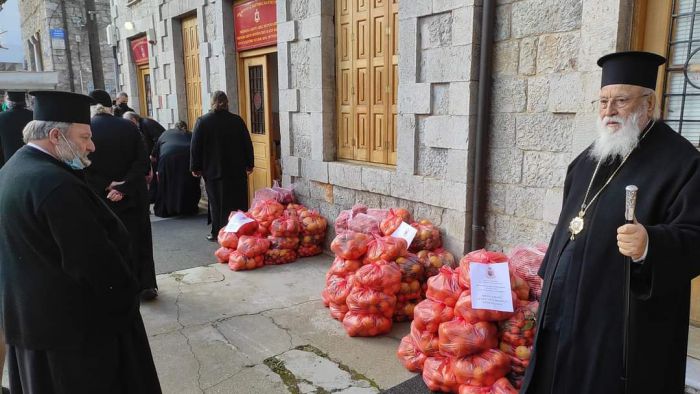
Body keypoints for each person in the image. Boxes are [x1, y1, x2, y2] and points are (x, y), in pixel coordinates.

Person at [522, 51, 700, 393]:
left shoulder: (684, 164)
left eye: (621, 100)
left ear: (648, 104)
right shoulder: (588, 159)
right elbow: (570, 224)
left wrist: (651, 244)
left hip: (620, 320)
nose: (608, 110)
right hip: (565, 306)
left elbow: (695, 237)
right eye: (602, 101)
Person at [0, 90, 161, 392]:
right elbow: (93, 263)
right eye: (85, 137)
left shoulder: (14, 169)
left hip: (35, 326)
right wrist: (125, 301)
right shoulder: (55, 185)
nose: (92, 146)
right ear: (57, 135)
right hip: (73, 337)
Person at [86, 89, 158, 301]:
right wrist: (123, 186)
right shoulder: (128, 126)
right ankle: (146, 285)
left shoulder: (85, 130)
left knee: (109, 242)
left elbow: (83, 167)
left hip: (101, 197)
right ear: (111, 106)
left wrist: (108, 185)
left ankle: (117, 288)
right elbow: (143, 162)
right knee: (140, 239)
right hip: (134, 195)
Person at [190, 90, 254, 241]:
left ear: (211, 102)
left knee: (216, 203)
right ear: (227, 103)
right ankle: (240, 232)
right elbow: (247, 143)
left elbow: (195, 147)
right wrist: (249, 164)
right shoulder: (237, 120)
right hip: (236, 170)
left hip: (213, 170)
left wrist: (195, 167)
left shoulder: (202, 121)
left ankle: (218, 233)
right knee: (237, 201)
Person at [152, 120, 201, 217]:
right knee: (187, 183)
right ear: (186, 127)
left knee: (167, 184)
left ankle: (169, 209)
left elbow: (153, 156)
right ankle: (187, 208)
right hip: (188, 157)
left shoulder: (166, 133)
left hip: (167, 158)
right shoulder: (190, 134)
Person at [123, 111, 166, 203]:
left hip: (161, 153)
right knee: (152, 177)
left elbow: (159, 139)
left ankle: (154, 197)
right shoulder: (140, 125)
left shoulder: (147, 123)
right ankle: (153, 197)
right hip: (153, 155)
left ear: (133, 119)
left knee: (155, 176)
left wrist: (153, 154)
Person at [0, 91, 33, 168]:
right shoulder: (33, 116)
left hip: (8, 164)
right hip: (30, 162)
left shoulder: (1, 117)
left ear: (8, 99)